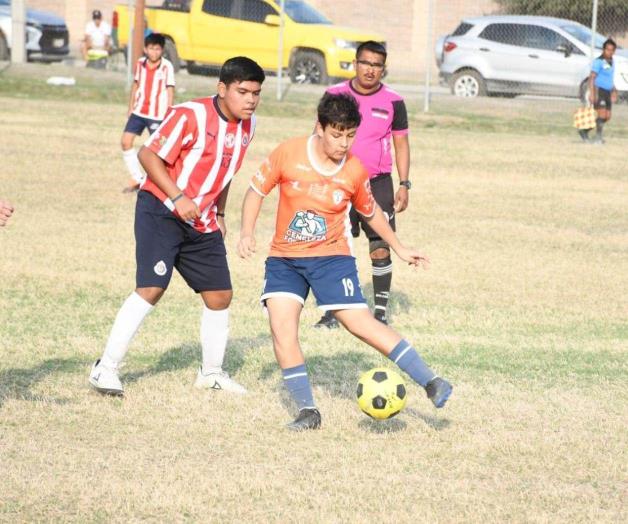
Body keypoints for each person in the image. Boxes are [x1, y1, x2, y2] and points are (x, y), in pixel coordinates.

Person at [238, 93, 452, 431]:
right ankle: (308, 411)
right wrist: (246, 233)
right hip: (284, 260)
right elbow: (255, 191)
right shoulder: (288, 153)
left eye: (350, 135)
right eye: (337, 134)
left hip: (331, 259)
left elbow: (371, 213)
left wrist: (398, 246)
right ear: (319, 127)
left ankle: (431, 380)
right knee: (282, 330)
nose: (343, 142)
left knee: (361, 324)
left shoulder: (353, 169)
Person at [89, 57, 265, 396]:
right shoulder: (191, 115)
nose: (250, 100)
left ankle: (210, 373)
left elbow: (224, 172)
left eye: (256, 93)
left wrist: (222, 215)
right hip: (161, 210)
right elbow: (148, 156)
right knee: (152, 288)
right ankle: (105, 368)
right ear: (222, 89)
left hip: (201, 220)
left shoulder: (249, 126)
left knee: (219, 296)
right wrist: (179, 197)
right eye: (242, 92)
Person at [314, 41, 411, 328]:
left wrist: (404, 184)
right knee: (332, 246)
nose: (370, 70)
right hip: (338, 179)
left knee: (380, 246)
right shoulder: (334, 94)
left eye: (377, 65)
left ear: (384, 68)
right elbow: (318, 136)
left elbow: (402, 144)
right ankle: (332, 311)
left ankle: (380, 313)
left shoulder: (394, 101)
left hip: (377, 182)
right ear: (355, 63)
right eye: (365, 63)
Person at [121, 33, 175, 192]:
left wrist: (169, 112)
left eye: (157, 49)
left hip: (158, 115)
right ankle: (136, 178)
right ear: (145, 49)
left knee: (159, 150)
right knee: (125, 142)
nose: (154, 52)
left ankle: (160, 183)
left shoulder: (167, 67)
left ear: (162, 50)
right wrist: (131, 107)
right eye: (151, 49)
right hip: (139, 111)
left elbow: (170, 89)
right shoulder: (140, 63)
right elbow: (136, 84)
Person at [582, 38, 618, 144]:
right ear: (603, 49)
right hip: (599, 91)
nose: (609, 52)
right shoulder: (598, 61)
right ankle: (598, 138)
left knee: (607, 116)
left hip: (608, 91)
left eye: (612, 50)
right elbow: (592, 77)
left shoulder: (612, 61)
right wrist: (592, 93)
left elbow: (610, 77)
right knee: (602, 115)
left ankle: (584, 131)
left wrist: (614, 90)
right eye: (607, 49)